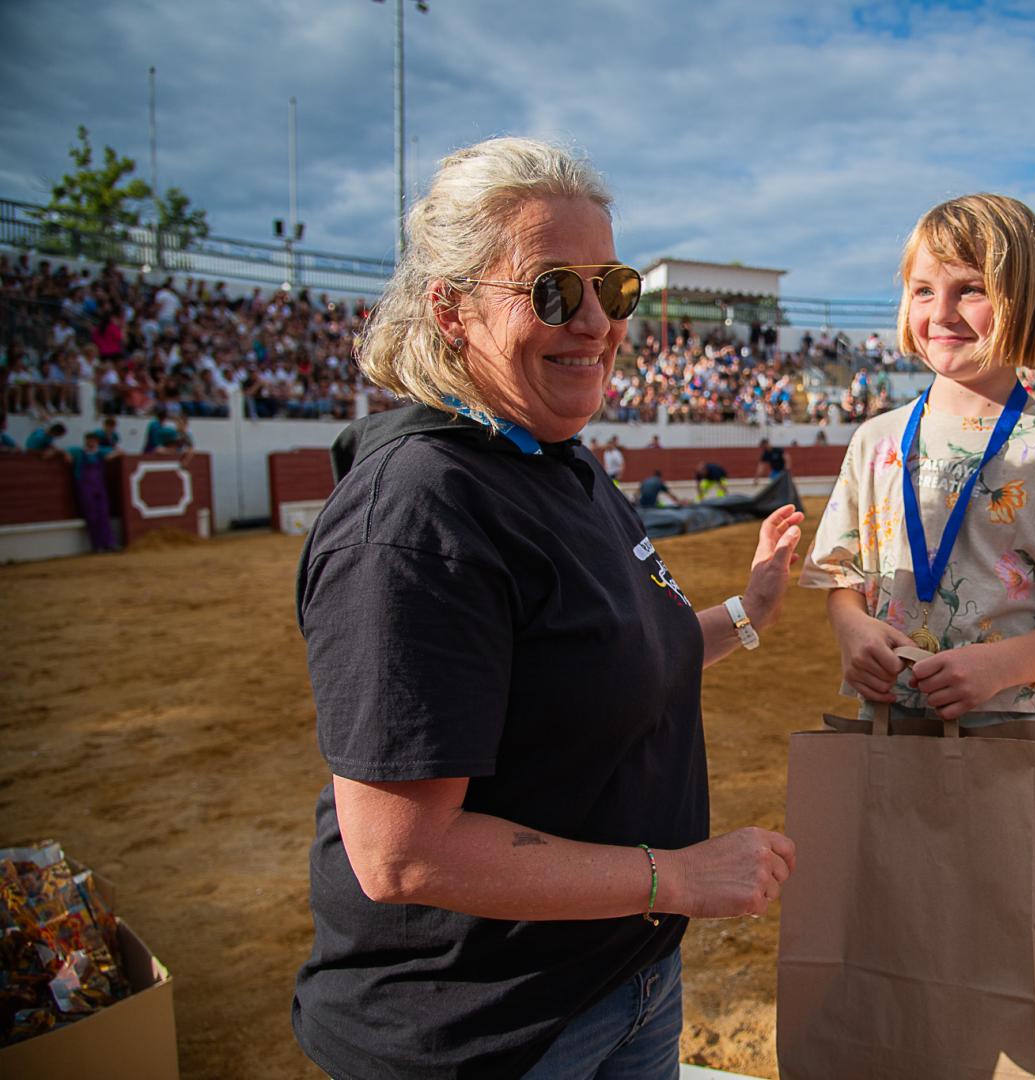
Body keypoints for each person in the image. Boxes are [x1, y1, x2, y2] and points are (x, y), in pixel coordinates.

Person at [291, 136, 802, 1080]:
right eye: (554, 290)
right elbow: (403, 854)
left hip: (618, 978)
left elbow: (610, 659)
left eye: (613, 288)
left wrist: (750, 611)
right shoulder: (416, 512)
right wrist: (677, 876)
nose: (598, 321)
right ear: (450, 310)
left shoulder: (556, 458)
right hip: (489, 1030)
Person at [802, 193, 1035, 726]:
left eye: (971, 289)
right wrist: (852, 629)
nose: (940, 313)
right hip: (887, 725)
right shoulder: (876, 440)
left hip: (1012, 737)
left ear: (1025, 301)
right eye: (923, 290)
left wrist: (997, 667)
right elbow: (843, 578)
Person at [66, 430, 121, 552]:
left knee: (104, 515)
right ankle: (97, 545)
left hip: (99, 486)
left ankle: (110, 543)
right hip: (85, 487)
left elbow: (117, 452)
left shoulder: (100, 452)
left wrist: (114, 453)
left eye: (92, 441)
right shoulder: (79, 452)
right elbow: (65, 452)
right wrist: (67, 456)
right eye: (88, 441)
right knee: (92, 516)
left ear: (96, 442)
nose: (90, 443)